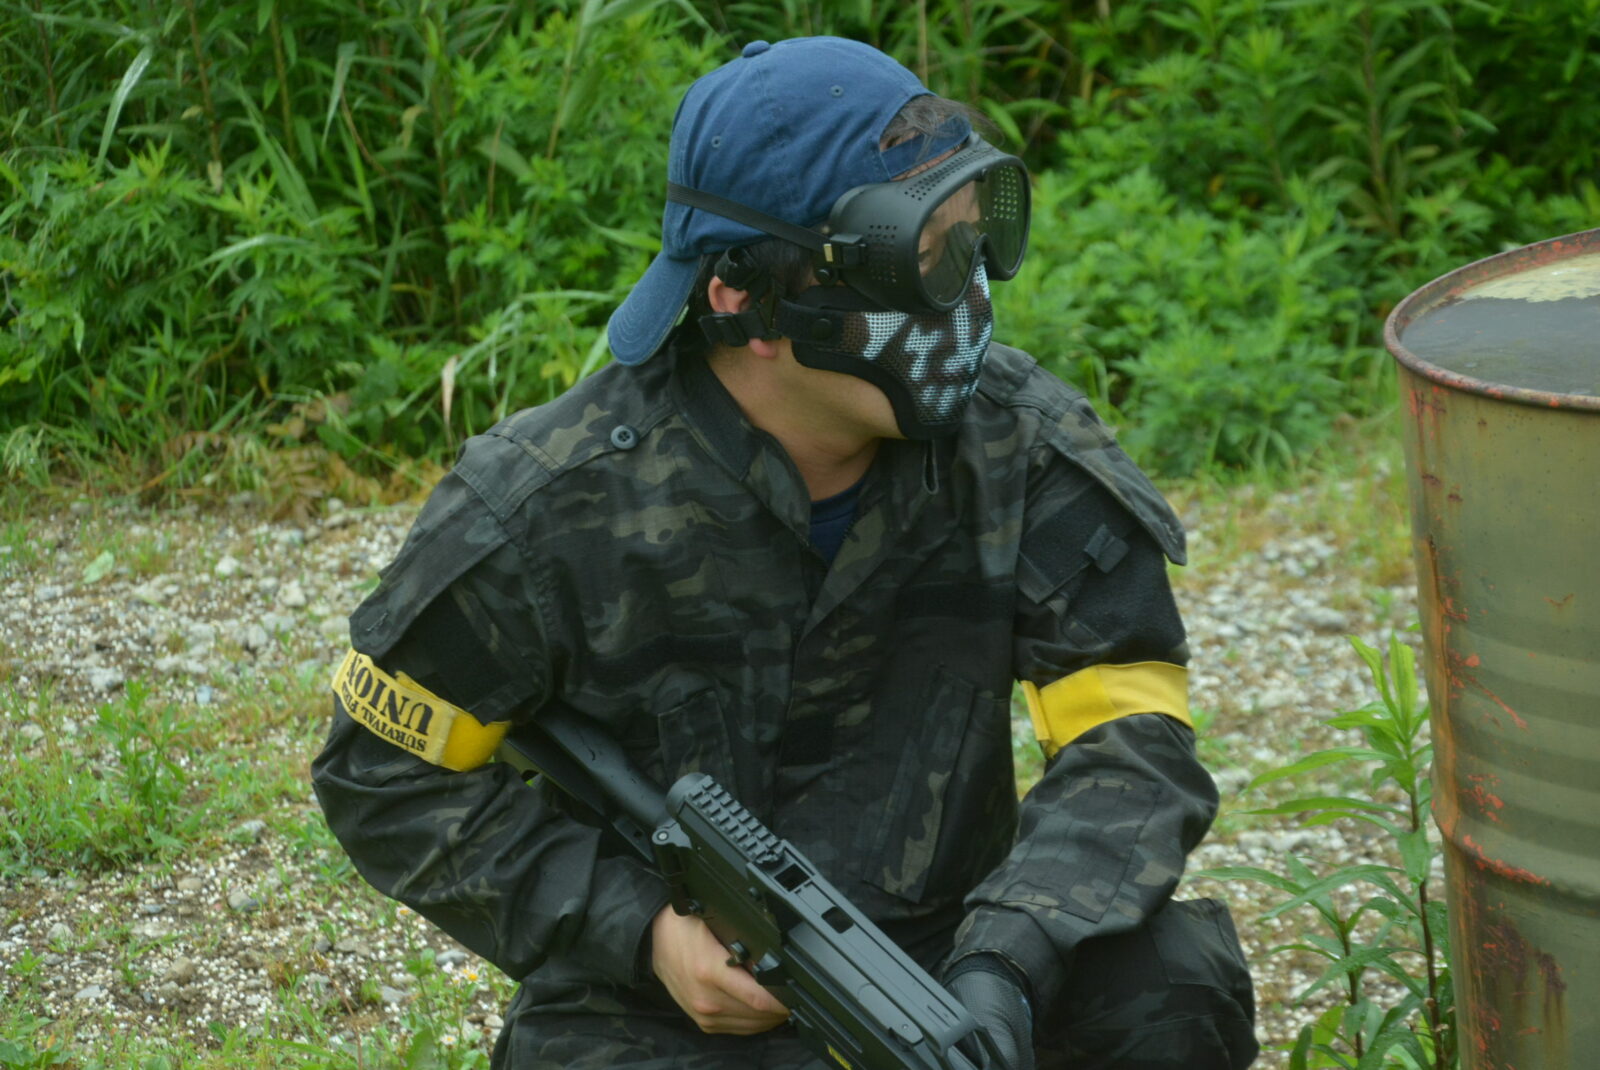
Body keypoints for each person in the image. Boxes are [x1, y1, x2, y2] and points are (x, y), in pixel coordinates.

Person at [312, 35, 1258, 1070]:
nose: (969, 294)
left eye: (971, 239)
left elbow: (1131, 741)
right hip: (664, 1009)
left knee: (1168, 983)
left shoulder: (1018, 447)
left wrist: (1007, 966)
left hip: (952, 965)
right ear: (746, 300)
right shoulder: (544, 504)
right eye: (918, 261)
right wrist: (643, 929)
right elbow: (381, 774)